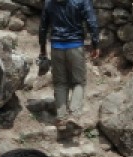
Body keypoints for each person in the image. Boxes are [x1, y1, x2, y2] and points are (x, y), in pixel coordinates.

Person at [38, 0, 100, 130]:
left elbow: (43, 26)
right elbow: (92, 22)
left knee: (60, 83)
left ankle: (61, 118)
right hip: (75, 46)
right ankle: (74, 115)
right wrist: (96, 44)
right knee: (79, 82)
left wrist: (43, 48)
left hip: (56, 46)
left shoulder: (50, 2)